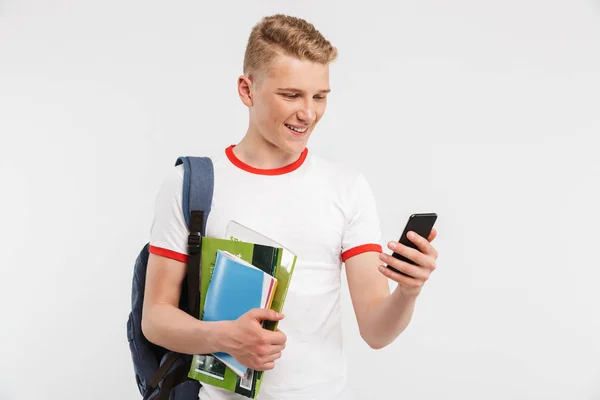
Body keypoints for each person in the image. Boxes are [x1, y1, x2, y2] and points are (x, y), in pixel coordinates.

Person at [141, 13, 439, 400]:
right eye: (291, 95)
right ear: (247, 90)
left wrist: (407, 292)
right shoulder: (191, 185)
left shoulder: (347, 187)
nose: (308, 113)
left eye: (319, 97)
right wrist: (223, 337)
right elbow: (155, 319)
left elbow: (376, 332)